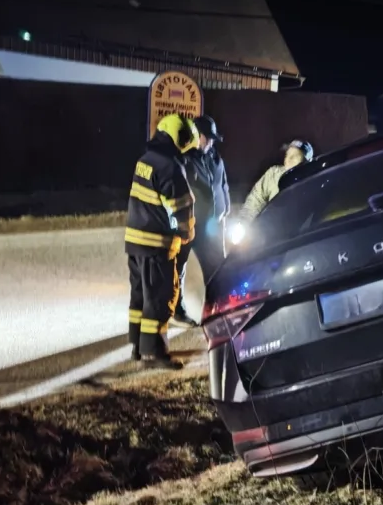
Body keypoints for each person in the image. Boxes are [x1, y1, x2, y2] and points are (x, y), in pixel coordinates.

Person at [125, 114, 199, 369]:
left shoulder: (145, 160)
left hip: (135, 242)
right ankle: (154, 354)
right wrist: (187, 233)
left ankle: (137, 347)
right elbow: (182, 206)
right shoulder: (170, 166)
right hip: (156, 244)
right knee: (159, 297)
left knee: (140, 297)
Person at [172, 115, 230, 327]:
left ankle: (216, 310)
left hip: (213, 226)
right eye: (209, 138)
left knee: (217, 269)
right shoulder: (183, 158)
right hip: (189, 224)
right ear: (198, 137)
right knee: (178, 268)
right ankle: (176, 310)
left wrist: (226, 208)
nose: (212, 142)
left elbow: (223, 185)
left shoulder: (215, 158)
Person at [238, 139, 313, 223]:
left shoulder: (312, 182)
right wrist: (245, 222)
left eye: (295, 156)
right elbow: (255, 200)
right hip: (270, 229)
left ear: (306, 161)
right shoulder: (273, 175)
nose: (288, 159)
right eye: (287, 155)